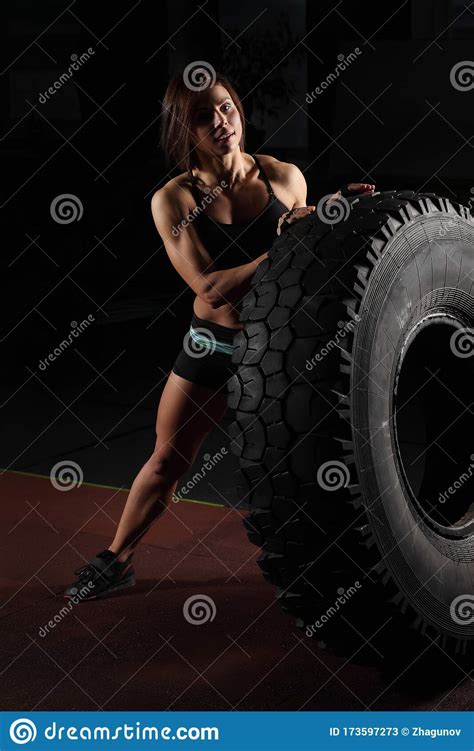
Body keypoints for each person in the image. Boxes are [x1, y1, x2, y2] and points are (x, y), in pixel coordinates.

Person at [64, 70, 374, 600]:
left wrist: (334, 216)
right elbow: (211, 290)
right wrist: (283, 244)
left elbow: (306, 259)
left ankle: (342, 570)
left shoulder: (284, 177)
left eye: (226, 107)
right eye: (204, 116)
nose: (221, 122)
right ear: (186, 130)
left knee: (312, 463)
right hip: (213, 344)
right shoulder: (174, 200)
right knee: (168, 458)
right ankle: (117, 560)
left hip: (279, 348)